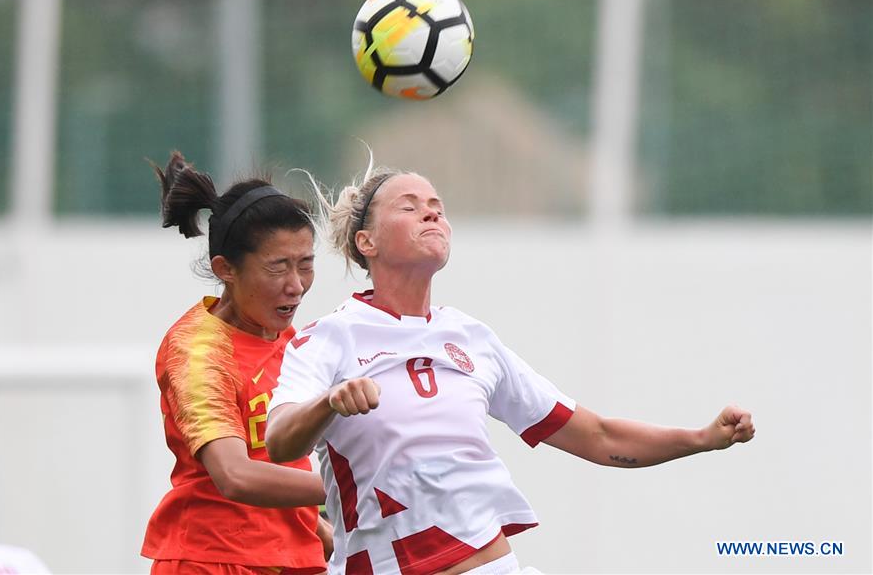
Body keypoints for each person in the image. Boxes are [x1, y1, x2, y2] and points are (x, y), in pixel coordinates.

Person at [264, 165, 756, 575]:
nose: (432, 211)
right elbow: (281, 441)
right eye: (409, 206)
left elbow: (598, 436)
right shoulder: (329, 337)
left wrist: (700, 438)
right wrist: (328, 403)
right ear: (366, 241)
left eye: (437, 204)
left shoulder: (473, 339)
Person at [141, 151, 332, 575]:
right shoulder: (199, 351)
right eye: (277, 267)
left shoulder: (293, 339)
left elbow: (283, 461)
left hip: (294, 560)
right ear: (225, 269)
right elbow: (235, 475)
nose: (296, 285)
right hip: (211, 561)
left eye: (306, 264)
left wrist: (321, 527)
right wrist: (358, 486)